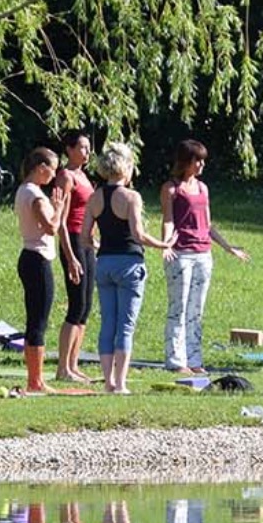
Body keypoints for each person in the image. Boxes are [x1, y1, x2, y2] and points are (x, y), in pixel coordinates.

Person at [86, 141, 174, 394]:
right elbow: (138, 234)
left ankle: (107, 382)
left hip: (104, 263)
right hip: (129, 263)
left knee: (107, 323)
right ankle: (121, 383)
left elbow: (84, 236)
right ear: (125, 169)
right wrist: (163, 244)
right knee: (125, 325)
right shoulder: (131, 197)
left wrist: (101, 244)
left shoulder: (95, 197)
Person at [159, 139, 250, 374]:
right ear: (185, 161)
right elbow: (168, 219)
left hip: (203, 254)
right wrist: (165, 245)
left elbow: (207, 224)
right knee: (178, 307)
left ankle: (194, 359)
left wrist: (229, 247)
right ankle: (175, 360)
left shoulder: (202, 188)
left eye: (202, 160)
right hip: (181, 254)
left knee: (196, 309)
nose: (200, 165)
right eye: (196, 160)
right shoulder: (171, 188)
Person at [12, 148, 62, 394]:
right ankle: (36, 380)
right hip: (38, 258)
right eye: (53, 168)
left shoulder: (23, 190)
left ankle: (35, 378)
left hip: (29, 256)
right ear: (41, 167)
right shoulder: (36, 195)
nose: (54, 174)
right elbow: (51, 227)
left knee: (35, 318)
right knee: (38, 321)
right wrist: (59, 208)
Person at [54, 130, 97, 383]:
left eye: (88, 147)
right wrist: (71, 257)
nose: (87, 152)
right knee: (76, 305)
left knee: (86, 308)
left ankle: (73, 364)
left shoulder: (84, 176)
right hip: (73, 244)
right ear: (69, 149)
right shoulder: (66, 176)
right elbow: (61, 222)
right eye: (82, 147)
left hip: (88, 244)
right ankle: (62, 368)